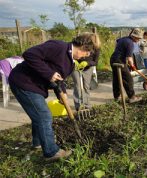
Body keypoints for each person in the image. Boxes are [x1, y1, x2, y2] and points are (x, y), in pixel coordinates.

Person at [8, 33, 98, 161]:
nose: (86, 56)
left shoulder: (71, 64)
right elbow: (29, 54)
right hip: (23, 81)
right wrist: (49, 73)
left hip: (35, 86)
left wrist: (62, 93)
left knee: (38, 114)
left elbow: (58, 79)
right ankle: (51, 152)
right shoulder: (59, 47)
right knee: (44, 115)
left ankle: (38, 143)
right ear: (82, 47)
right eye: (86, 53)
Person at [110, 28, 143, 103]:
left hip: (113, 59)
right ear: (134, 36)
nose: (138, 40)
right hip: (119, 62)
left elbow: (117, 42)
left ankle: (116, 97)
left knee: (116, 79)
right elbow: (129, 58)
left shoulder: (124, 39)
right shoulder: (130, 44)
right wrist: (133, 66)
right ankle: (132, 97)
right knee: (128, 79)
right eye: (138, 38)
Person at [72, 32, 101, 111]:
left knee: (86, 86)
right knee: (77, 85)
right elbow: (71, 52)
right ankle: (78, 105)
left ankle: (87, 105)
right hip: (75, 67)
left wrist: (87, 63)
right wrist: (74, 61)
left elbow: (95, 62)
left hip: (88, 68)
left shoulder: (97, 48)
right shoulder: (81, 44)